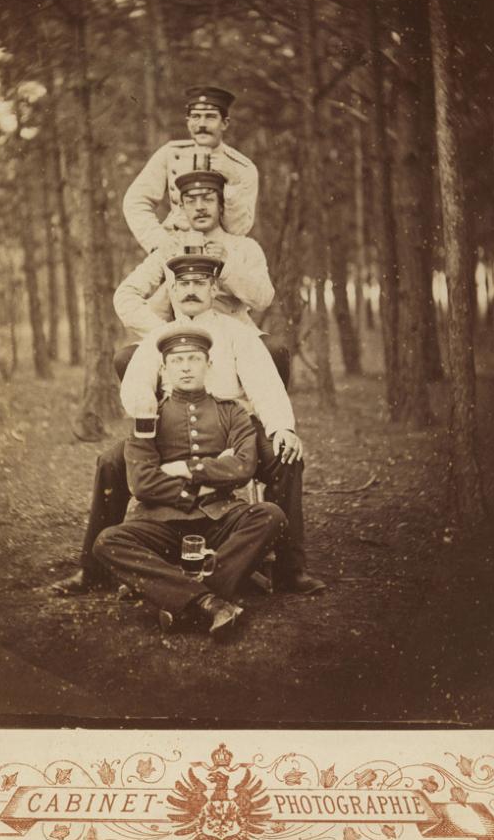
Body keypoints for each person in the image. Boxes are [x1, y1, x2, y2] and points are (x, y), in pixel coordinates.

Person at [54, 255, 325, 598]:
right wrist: (144, 405)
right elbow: (136, 383)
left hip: (231, 423)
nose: (191, 291)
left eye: (199, 284)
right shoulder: (160, 336)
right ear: (172, 289)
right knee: (110, 462)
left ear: (214, 288)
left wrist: (282, 428)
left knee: (286, 456)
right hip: (171, 426)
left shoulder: (239, 334)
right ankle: (91, 569)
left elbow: (265, 386)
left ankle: (290, 568)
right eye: (183, 284)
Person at [90, 327, 287, 639]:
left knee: (271, 515)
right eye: (177, 360)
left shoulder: (232, 412)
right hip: (162, 523)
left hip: (219, 517)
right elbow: (141, 482)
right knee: (106, 542)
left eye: (194, 359)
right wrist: (206, 480)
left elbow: (243, 467)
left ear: (208, 365)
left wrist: (186, 468)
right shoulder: (148, 416)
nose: (185, 366)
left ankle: (177, 600)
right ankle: (210, 602)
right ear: (164, 369)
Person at [114, 168, 289, 385]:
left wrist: (228, 268)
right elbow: (125, 296)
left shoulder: (244, 247)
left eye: (208, 199)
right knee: (127, 359)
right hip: (184, 340)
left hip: (236, 338)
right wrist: (162, 330)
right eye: (190, 201)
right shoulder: (170, 249)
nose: (199, 207)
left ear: (221, 204)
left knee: (275, 351)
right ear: (182, 207)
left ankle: (260, 419)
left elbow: (264, 298)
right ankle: (158, 418)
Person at [122, 86, 258, 254]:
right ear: (187, 122)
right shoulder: (170, 154)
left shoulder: (243, 167)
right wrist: (158, 242)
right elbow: (135, 201)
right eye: (195, 116)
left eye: (210, 117)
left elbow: (239, 229)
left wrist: (232, 184)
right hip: (176, 251)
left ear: (224, 123)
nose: (201, 124)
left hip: (223, 254)